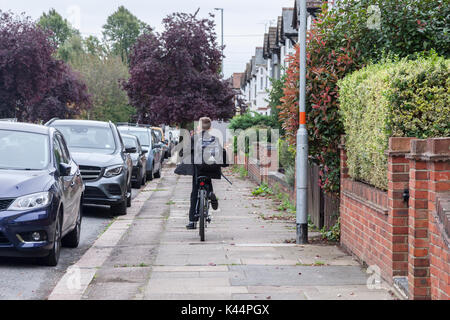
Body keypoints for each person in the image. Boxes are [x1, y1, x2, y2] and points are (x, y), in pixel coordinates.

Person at [174, 117, 228, 230]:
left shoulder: (195, 138)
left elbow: (184, 151)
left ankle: (192, 221)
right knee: (208, 181)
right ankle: (210, 194)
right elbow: (221, 153)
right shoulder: (215, 139)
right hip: (211, 169)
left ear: (199, 127)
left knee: (195, 193)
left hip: (198, 170)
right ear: (210, 128)